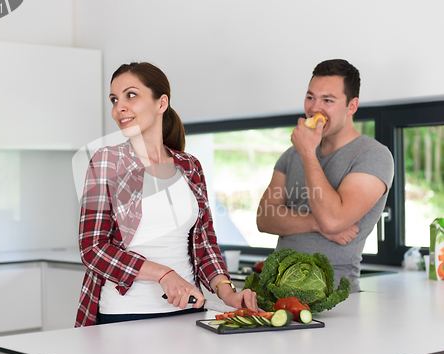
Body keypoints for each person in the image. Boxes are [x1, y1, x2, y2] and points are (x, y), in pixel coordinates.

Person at [75, 62, 258, 327]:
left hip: (187, 312)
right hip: (125, 314)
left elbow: (204, 242)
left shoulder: (190, 166)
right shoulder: (107, 162)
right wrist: (163, 274)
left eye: (131, 95)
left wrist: (228, 293)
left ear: (161, 104)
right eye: (115, 99)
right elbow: (93, 248)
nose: (119, 108)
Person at [256, 59, 394, 293]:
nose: (314, 108)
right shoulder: (291, 155)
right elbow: (265, 218)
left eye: (327, 100)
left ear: (352, 106)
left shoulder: (373, 156)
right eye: (311, 97)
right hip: (276, 291)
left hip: (334, 297)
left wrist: (308, 153)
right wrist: (315, 224)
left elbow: (333, 219)